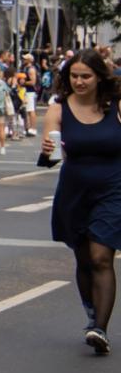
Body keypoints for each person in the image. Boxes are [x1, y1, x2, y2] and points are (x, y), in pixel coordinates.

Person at [41, 49, 121, 353]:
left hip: (113, 189)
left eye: (85, 76)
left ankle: (100, 328)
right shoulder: (58, 110)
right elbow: (49, 159)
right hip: (74, 193)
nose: (79, 81)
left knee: (102, 256)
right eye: (73, 76)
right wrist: (47, 149)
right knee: (84, 258)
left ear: (100, 77)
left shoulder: (116, 106)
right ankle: (91, 310)